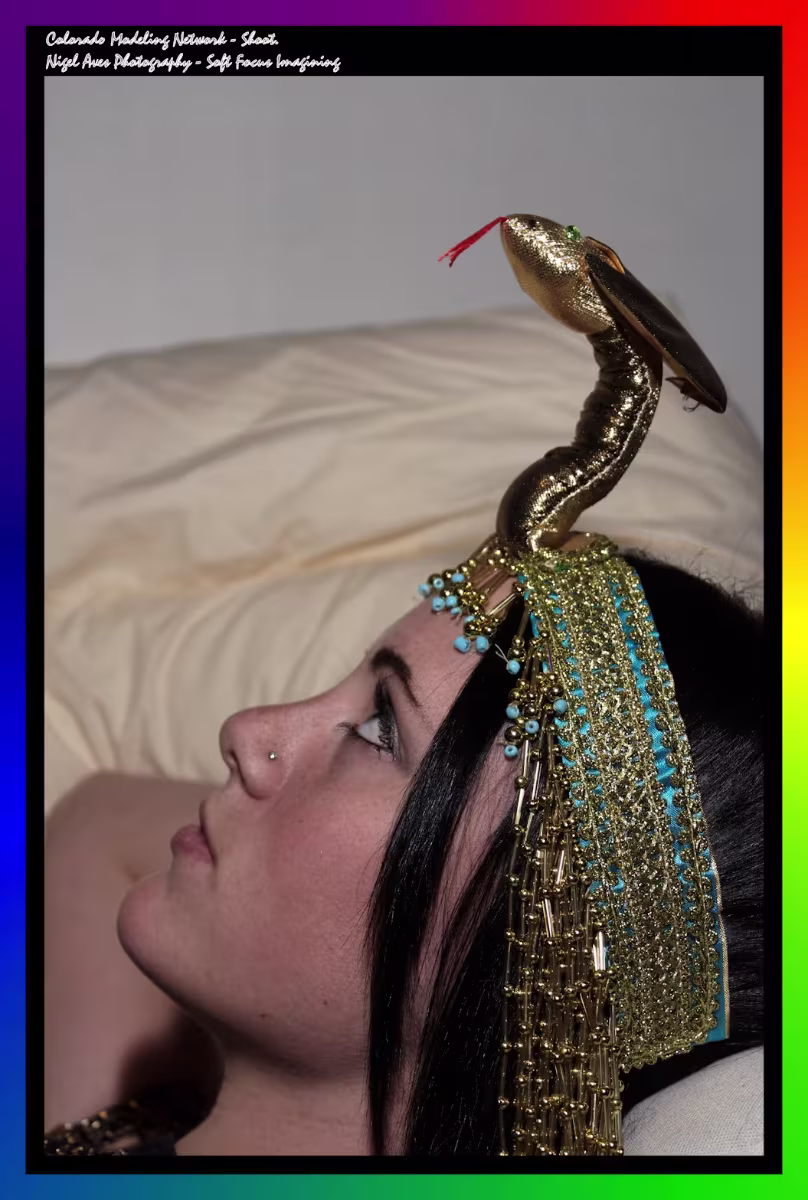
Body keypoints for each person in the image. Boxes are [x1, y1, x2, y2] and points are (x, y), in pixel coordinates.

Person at [44, 215, 764, 1157]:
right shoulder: (109, 1119)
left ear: (539, 939)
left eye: (380, 728)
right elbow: (97, 822)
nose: (246, 729)